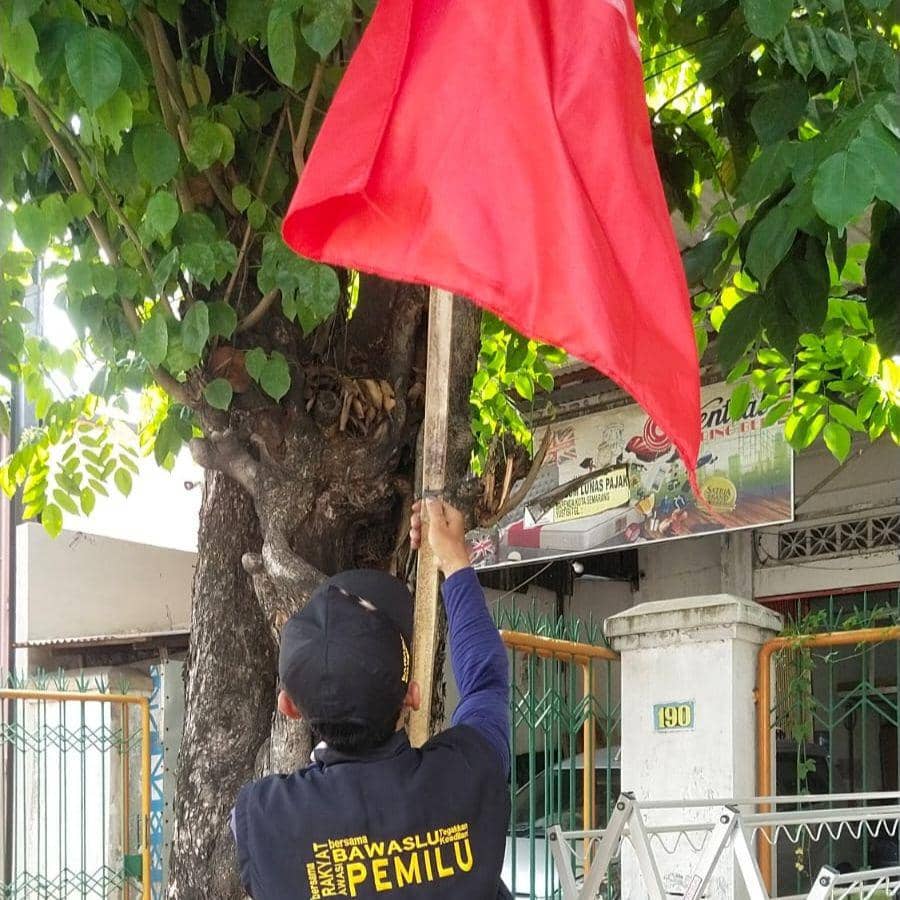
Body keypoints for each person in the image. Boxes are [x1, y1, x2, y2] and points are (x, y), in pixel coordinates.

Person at [233, 499, 513, 899]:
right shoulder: (467, 772)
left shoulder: (263, 821)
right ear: (413, 695)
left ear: (289, 707)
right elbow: (485, 684)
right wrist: (455, 561)